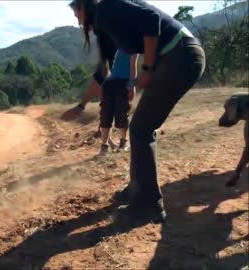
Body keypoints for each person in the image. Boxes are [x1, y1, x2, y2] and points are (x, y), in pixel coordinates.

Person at [67, 0, 206, 224]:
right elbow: (105, 69)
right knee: (141, 127)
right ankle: (138, 188)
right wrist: (82, 105)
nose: (77, 19)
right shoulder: (107, 24)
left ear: (85, 6)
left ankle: (148, 205)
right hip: (178, 57)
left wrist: (148, 68)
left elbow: (152, 22)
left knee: (141, 128)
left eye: (76, 12)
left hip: (180, 56)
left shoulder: (106, 7)